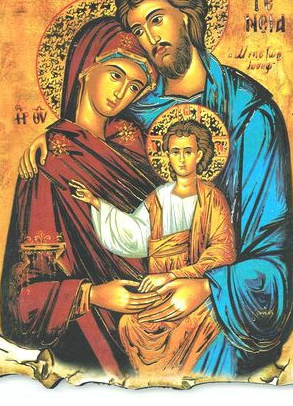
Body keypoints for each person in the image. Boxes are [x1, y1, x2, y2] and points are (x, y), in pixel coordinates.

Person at [19, 0, 293, 377]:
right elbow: (87, 136)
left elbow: (273, 258)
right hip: (142, 300)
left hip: (215, 310)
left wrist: (208, 288)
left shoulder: (250, 115)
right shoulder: (132, 115)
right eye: (137, 30)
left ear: (187, 16)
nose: (150, 39)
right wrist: (53, 136)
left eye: (156, 19)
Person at [0, 17, 166, 378]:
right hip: (91, 331)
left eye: (135, 86)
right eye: (116, 74)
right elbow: (22, 300)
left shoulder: (135, 144)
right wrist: (93, 295)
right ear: (85, 68)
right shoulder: (48, 163)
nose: (122, 93)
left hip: (160, 307)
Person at [69, 120, 236, 375]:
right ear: (167, 156)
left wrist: (173, 276)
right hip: (157, 290)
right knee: (128, 325)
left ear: (200, 154)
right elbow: (136, 234)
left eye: (188, 151)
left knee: (195, 324)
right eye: (175, 152)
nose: (182, 159)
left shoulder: (212, 199)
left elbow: (222, 252)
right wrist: (97, 204)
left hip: (193, 289)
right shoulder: (158, 197)